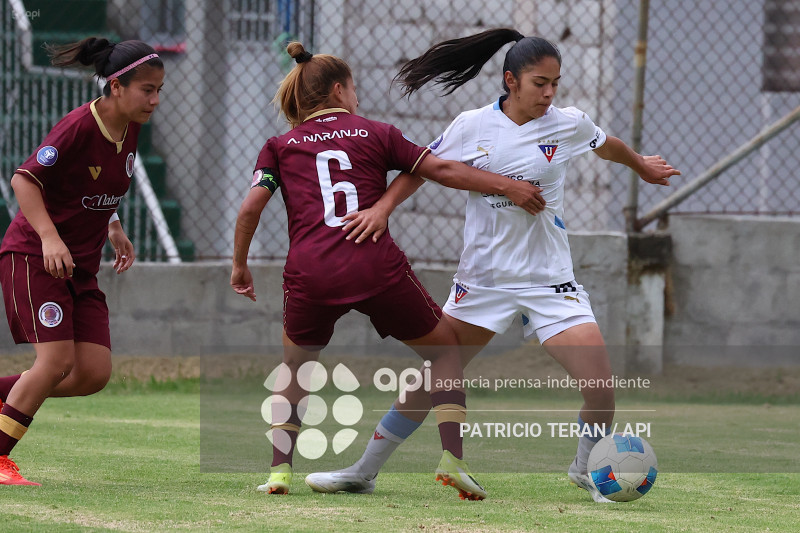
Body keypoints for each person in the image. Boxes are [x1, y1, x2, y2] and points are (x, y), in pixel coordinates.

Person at [304, 28, 680, 502]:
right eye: (540, 83)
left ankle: (586, 469)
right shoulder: (471, 125)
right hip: (484, 283)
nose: (549, 93)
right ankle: (364, 470)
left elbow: (608, 144)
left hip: (549, 281)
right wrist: (381, 208)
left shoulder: (569, 124)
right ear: (511, 81)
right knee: (430, 379)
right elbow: (423, 167)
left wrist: (641, 166)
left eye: (555, 84)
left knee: (600, 386)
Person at [230, 41, 547, 500]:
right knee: (445, 355)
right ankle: (453, 461)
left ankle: (280, 473)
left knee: (295, 371)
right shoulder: (375, 133)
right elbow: (443, 170)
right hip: (374, 265)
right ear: (340, 90)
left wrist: (240, 265)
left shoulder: (280, 145)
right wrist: (508, 186)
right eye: (355, 88)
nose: (357, 97)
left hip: (311, 272)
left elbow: (250, 208)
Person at [0, 37, 164, 485]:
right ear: (115, 87)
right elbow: (24, 179)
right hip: (36, 257)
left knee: (92, 372)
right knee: (53, 363)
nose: (153, 99)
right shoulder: (76, 127)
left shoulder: (130, 126)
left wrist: (113, 225)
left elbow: (91, 183)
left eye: (158, 91)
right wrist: (50, 238)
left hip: (80, 267)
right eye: (146, 89)